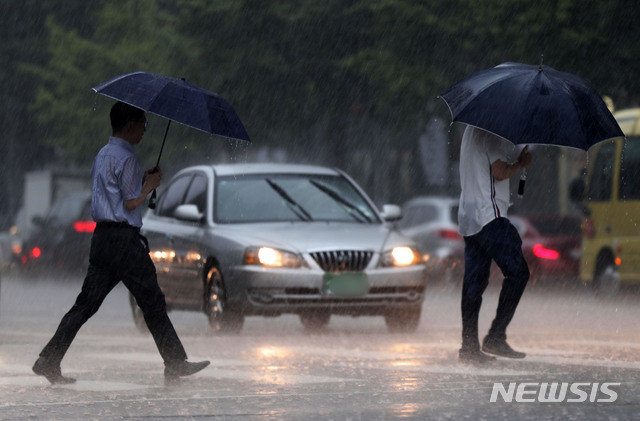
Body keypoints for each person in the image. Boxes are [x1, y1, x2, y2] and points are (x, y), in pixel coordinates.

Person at [33, 101, 209, 384]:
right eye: (143, 125)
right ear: (129, 125)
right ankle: (175, 362)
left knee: (85, 304)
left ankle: (48, 359)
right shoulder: (127, 158)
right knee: (152, 301)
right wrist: (148, 187)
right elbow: (129, 203)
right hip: (125, 243)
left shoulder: (103, 154)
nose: (144, 131)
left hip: (102, 239)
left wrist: (140, 178)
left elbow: (110, 191)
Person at [457, 126, 532, 364]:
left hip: (470, 216)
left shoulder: (470, 130)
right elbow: (499, 172)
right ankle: (496, 336)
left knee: (474, 283)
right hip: (490, 216)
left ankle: (468, 347)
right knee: (518, 273)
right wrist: (521, 164)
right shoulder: (492, 132)